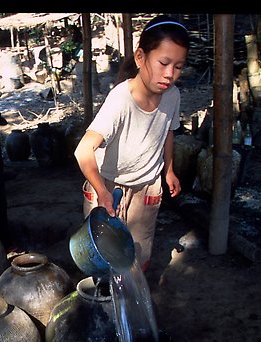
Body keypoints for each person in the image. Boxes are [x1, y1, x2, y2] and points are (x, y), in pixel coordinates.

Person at [74, 15, 189, 273]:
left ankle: (130, 304)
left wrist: (168, 170)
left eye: (179, 66)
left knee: (137, 252)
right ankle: (103, 306)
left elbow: (168, 132)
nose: (170, 74)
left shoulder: (172, 95)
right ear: (140, 57)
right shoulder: (120, 101)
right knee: (101, 255)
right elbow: (83, 150)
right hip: (106, 185)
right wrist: (102, 192)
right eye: (163, 63)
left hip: (146, 187)